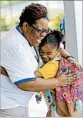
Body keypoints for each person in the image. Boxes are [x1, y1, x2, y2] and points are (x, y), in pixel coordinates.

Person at [0, 3, 77, 117]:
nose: (43, 35)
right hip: (10, 105)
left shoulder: (33, 35)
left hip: (19, 102)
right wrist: (59, 81)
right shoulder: (16, 46)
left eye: (46, 30)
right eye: (40, 30)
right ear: (26, 26)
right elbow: (26, 84)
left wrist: (68, 57)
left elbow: (54, 45)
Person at [35, 30, 83, 117]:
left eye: (49, 53)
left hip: (57, 105)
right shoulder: (60, 61)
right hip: (61, 102)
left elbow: (30, 76)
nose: (44, 56)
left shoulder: (51, 65)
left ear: (58, 51)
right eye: (42, 52)